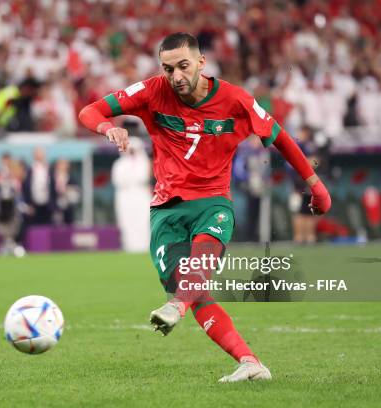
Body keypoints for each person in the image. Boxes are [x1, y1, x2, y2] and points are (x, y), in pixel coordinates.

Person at [79, 33, 331, 383]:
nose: (176, 76)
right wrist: (108, 127)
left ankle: (177, 305)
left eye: (183, 66)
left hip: (213, 202)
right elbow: (89, 111)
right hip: (166, 210)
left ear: (201, 62)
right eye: (168, 69)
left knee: (193, 276)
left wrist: (315, 185)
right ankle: (250, 362)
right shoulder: (153, 90)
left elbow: (281, 138)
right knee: (193, 289)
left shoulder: (235, 100)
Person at [111, 137, 151, 252]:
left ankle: (145, 246)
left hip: (141, 194)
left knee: (143, 220)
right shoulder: (119, 164)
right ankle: (129, 246)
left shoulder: (144, 162)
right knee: (127, 221)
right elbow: (118, 180)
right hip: (125, 195)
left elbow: (143, 178)